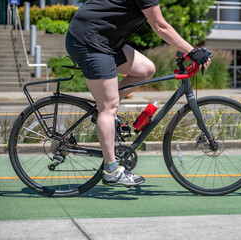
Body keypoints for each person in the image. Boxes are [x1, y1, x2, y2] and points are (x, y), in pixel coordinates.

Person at [65, 0, 211, 187]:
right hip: (90, 41)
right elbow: (159, 26)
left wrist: (188, 50)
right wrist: (192, 51)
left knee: (145, 70)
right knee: (109, 107)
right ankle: (111, 170)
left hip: (105, 40)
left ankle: (105, 113)